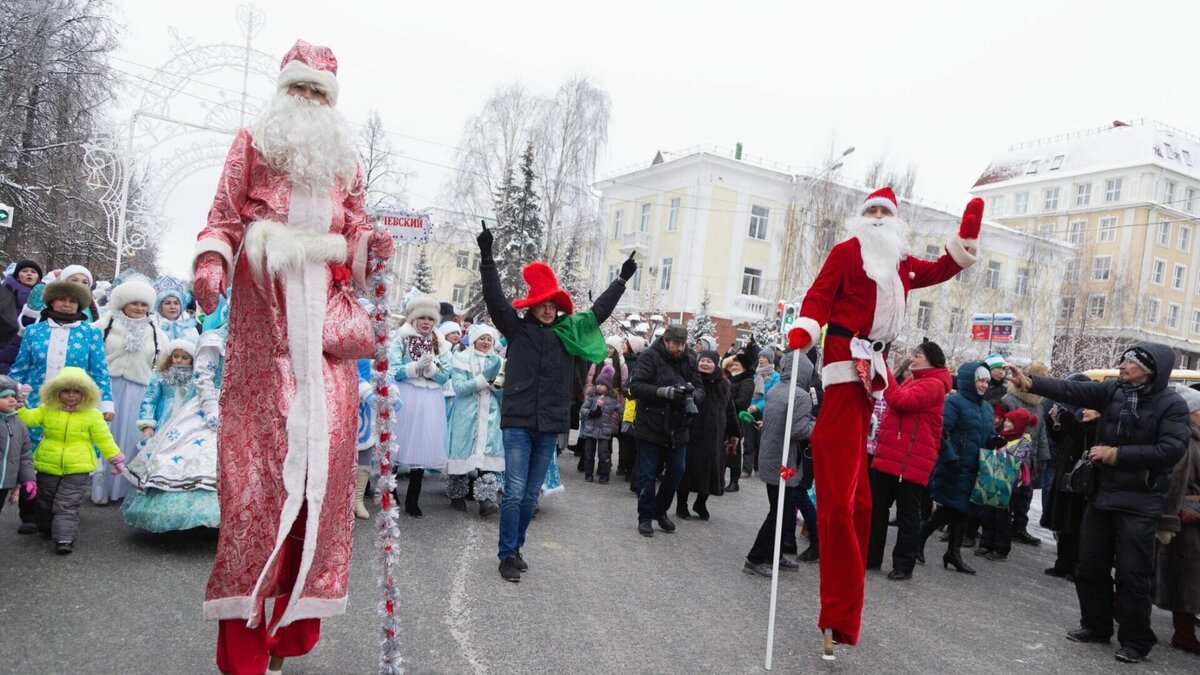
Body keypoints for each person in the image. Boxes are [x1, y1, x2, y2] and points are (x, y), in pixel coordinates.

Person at [190, 40, 393, 674]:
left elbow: (356, 225)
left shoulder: (346, 162)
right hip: (264, 342)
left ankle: (286, 635)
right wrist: (211, 260)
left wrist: (369, 244)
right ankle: (244, 648)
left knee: (319, 497)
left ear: (331, 103)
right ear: (283, 92)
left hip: (327, 358)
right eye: (299, 89)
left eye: (319, 93)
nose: (307, 101)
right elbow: (223, 217)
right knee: (255, 491)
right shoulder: (252, 142)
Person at [785, 187, 983, 651]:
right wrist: (805, 328)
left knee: (859, 499)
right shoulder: (846, 252)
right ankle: (835, 602)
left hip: (872, 371)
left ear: (894, 221)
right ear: (861, 218)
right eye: (870, 211)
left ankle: (842, 612)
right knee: (838, 494)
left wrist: (966, 236)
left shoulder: (901, 263)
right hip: (840, 367)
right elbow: (817, 297)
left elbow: (943, 268)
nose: (876, 218)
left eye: (884, 212)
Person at [1008, 343, 1189, 664]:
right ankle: (1095, 625)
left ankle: (1135, 641)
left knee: (1133, 576)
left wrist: (1115, 455)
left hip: (1140, 502)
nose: (1121, 365)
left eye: (1129, 362)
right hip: (1102, 495)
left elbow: (1171, 450)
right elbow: (1072, 389)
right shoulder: (1113, 392)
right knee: (1089, 565)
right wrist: (1032, 382)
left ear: (1149, 370)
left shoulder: (1171, 404)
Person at [477, 222, 632, 582]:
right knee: (514, 492)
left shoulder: (568, 334)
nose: (547, 311)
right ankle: (505, 554)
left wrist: (621, 281)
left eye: (552, 306)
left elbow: (599, 312)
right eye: (541, 306)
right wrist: (487, 257)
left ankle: (516, 548)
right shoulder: (517, 329)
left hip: (549, 422)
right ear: (532, 308)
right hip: (517, 420)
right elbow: (494, 298)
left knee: (532, 495)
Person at [122, 306, 226, 533]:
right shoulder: (214, 339)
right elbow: (202, 377)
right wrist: (211, 408)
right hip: (209, 406)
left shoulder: (254, 337)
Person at [866, 341, 952, 581]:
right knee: (878, 510)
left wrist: (884, 368)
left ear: (931, 361)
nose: (912, 359)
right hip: (892, 456)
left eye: (917, 356)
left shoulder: (934, 384)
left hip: (909, 462)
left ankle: (904, 565)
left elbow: (900, 402)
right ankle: (871, 557)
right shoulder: (917, 379)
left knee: (907, 516)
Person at [17, 367, 124, 554]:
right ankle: (46, 526)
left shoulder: (92, 414)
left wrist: (115, 458)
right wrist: (21, 404)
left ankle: (64, 538)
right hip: (48, 463)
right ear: (56, 392)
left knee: (67, 503)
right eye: (66, 391)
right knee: (45, 501)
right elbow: (28, 419)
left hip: (78, 466)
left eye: (76, 391)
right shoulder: (47, 409)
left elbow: (104, 438)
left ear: (86, 394)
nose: (71, 396)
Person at [91, 276, 169, 505]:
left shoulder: (156, 333)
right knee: (103, 435)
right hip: (106, 387)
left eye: (144, 304)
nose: (139, 308)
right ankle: (99, 486)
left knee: (130, 438)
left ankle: (125, 488)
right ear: (122, 302)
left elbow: (164, 362)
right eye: (134, 302)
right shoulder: (104, 325)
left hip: (139, 390)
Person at [917, 363, 995, 575]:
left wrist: (995, 440)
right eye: (980, 380)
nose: (984, 385)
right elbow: (942, 432)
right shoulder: (953, 402)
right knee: (955, 509)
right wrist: (950, 458)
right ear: (970, 380)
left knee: (961, 510)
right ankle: (932, 544)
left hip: (975, 468)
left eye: (987, 381)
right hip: (955, 466)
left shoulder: (987, 408)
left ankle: (950, 552)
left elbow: (987, 434)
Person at [743, 349, 815, 577]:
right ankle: (756, 557)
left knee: (782, 510)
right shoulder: (800, 396)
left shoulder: (776, 390)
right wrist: (817, 425)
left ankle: (773, 555)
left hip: (771, 458)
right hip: (785, 462)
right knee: (779, 512)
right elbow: (797, 430)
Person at [628, 324, 704, 537]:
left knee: (677, 471)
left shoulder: (689, 359)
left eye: (682, 344)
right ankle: (645, 517)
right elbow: (635, 388)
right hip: (650, 426)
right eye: (675, 344)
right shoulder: (649, 357)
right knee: (648, 474)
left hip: (678, 427)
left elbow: (700, 388)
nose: (679, 348)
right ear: (666, 341)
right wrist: (664, 392)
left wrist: (693, 395)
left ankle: (660, 511)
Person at [388, 293, 452, 518]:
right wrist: (414, 367)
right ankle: (391, 493)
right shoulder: (401, 338)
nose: (426, 322)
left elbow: (447, 374)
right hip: (407, 396)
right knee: (398, 445)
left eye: (430, 318)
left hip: (430, 399)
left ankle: (413, 500)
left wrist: (432, 370)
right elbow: (392, 369)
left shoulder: (441, 342)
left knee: (423, 447)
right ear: (413, 318)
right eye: (422, 317)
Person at [1155, 384, 1200, 655]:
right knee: (1184, 577)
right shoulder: (1187, 440)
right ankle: (1184, 633)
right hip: (1184, 522)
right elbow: (1176, 484)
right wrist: (1168, 521)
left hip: (1187, 520)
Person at [1041, 374, 1099, 580]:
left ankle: (1076, 567)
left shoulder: (1099, 427)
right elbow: (1061, 437)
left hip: (1083, 483)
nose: (1086, 411)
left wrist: (1066, 417)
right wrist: (1052, 420)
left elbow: (1080, 435)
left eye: (1091, 408)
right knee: (1066, 526)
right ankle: (1062, 564)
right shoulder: (1081, 419)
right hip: (1068, 479)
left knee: (1078, 529)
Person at [445, 324, 505, 516]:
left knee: (488, 453)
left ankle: (486, 499)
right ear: (474, 340)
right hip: (467, 413)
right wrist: (483, 378)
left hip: (491, 414)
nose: (486, 342)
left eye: (489, 339)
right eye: (482, 338)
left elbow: (502, 392)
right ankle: (457, 494)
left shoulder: (498, 360)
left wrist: (496, 383)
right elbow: (460, 387)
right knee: (462, 451)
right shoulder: (461, 359)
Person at [677, 350, 739, 520]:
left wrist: (734, 432)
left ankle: (700, 503)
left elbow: (730, 410)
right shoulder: (692, 381)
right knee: (687, 470)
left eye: (709, 361)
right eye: (702, 360)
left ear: (716, 364)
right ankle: (681, 505)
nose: (705, 363)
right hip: (692, 434)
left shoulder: (724, 384)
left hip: (714, 437)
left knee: (711, 471)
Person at [975, 408, 1038, 562]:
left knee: (1002, 516)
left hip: (1011, 483)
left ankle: (1001, 548)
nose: (1006, 423)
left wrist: (1001, 448)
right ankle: (986, 543)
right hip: (994, 478)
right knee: (989, 513)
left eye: (1011, 421)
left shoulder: (1024, 440)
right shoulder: (1001, 435)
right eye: (1007, 420)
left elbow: (1018, 459)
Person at [1000, 362, 1050, 547]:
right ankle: (1002, 529)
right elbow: (1005, 429)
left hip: (1030, 458)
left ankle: (1019, 528)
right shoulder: (1009, 400)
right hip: (1013, 456)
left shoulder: (1039, 405)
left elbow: (1041, 431)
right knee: (1009, 496)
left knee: (1025, 496)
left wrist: (1043, 456)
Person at [136, 340, 196, 440]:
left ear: (192, 359)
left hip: (185, 423)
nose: (179, 360)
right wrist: (148, 424)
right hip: (162, 420)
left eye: (184, 357)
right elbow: (150, 400)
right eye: (176, 356)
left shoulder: (195, 379)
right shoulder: (161, 375)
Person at [577, 364, 622, 483]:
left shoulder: (612, 399)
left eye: (602, 384)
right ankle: (588, 473)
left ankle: (604, 474)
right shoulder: (592, 397)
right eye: (598, 384)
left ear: (608, 386)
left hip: (604, 430)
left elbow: (620, 410)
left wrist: (616, 419)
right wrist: (591, 413)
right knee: (589, 453)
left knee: (603, 453)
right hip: (590, 429)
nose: (599, 386)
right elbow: (583, 409)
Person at [0, 374, 35, 515]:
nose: (11, 400)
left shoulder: (19, 424)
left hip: (4, 484)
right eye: (4, 396)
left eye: (13, 396)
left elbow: (25, 454)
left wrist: (27, 479)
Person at [0, 260, 43, 373]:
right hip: (7, 344)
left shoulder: (46, 296)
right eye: (24, 271)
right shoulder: (6, 291)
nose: (29, 273)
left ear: (38, 277)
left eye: (33, 272)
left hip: (33, 345)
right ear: (17, 276)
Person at [618, 336, 646, 489]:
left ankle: (632, 473)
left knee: (634, 444)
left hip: (637, 409)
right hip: (630, 407)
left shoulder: (639, 363)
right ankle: (627, 469)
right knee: (628, 441)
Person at [726, 352, 755, 491]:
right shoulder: (731, 379)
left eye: (737, 365)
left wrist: (725, 405)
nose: (733, 367)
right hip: (725, 419)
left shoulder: (748, 382)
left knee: (734, 451)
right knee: (722, 450)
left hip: (736, 421)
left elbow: (742, 402)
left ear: (744, 367)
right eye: (733, 365)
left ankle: (734, 481)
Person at [153, 278, 201, 343]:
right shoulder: (153, 326)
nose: (172, 307)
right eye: (167, 303)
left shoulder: (190, 327)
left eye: (176, 303)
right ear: (159, 307)